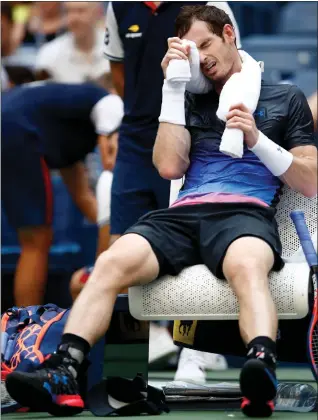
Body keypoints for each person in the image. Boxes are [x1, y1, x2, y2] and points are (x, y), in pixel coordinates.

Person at [8, 4, 316, 417]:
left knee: (248, 266)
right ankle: (64, 369)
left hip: (245, 211)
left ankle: (261, 367)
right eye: (192, 50)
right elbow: (169, 166)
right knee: (111, 262)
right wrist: (172, 89)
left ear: (229, 34)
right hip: (183, 215)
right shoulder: (186, 101)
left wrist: (258, 140)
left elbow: (310, 180)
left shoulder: (286, 97)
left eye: (206, 44)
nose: (202, 57)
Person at [104, 0, 239, 378]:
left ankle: (192, 354)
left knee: (195, 245)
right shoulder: (118, 6)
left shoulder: (210, 5)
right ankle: (126, 370)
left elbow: (231, 68)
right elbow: (120, 77)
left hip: (191, 134)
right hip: (134, 139)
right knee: (119, 247)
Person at [1, 81, 123, 307]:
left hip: (11, 125)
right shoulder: (111, 101)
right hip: (14, 132)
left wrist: (115, 235)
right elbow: (110, 166)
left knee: (34, 242)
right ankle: (27, 327)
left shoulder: (62, 127)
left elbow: (83, 197)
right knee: (36, 241)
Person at [34, 2, 109, 83]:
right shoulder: (49, 54)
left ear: (98, 12)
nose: (73, 18)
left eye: (81, 11)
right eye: (68, 11)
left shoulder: (117, 48)